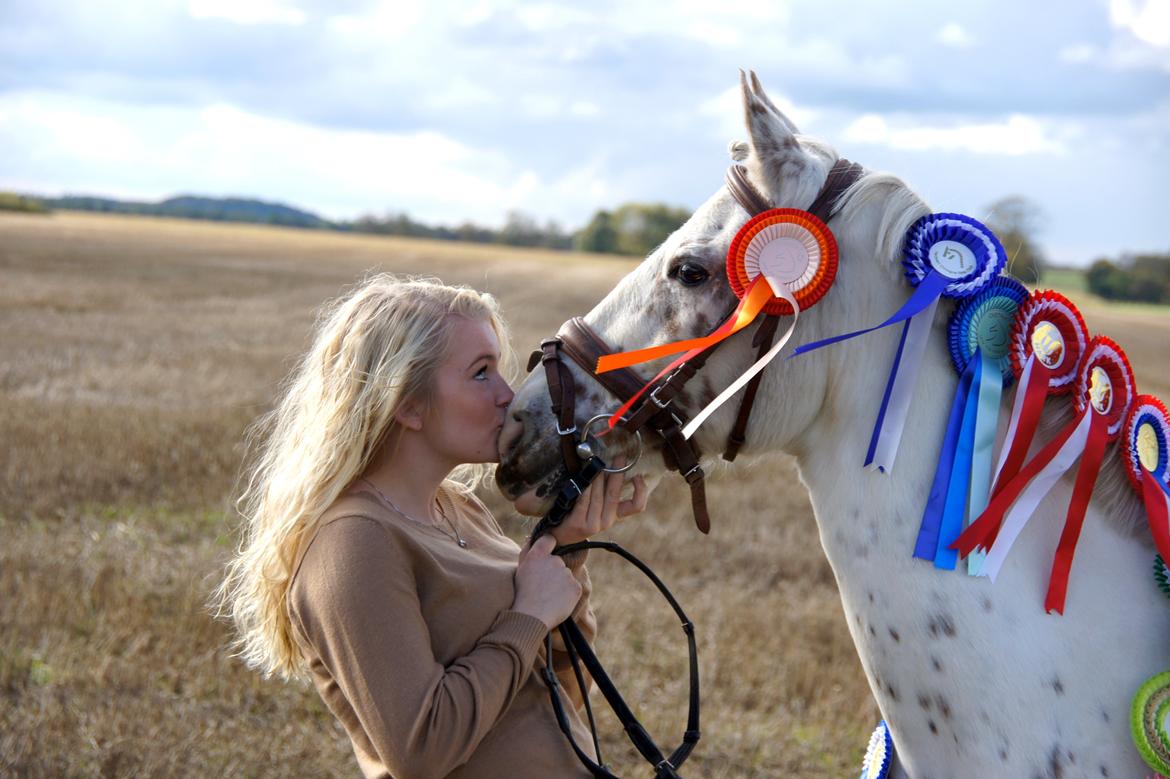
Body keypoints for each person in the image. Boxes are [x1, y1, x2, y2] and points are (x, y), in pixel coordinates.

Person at [216, 274, 648, 779]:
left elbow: (555, 701)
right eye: (482, 373)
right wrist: (528, 614)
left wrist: (566, 548)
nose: (509, 396)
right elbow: (421, 749)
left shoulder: (460, 508)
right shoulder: (353, 541)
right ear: (407, 403)